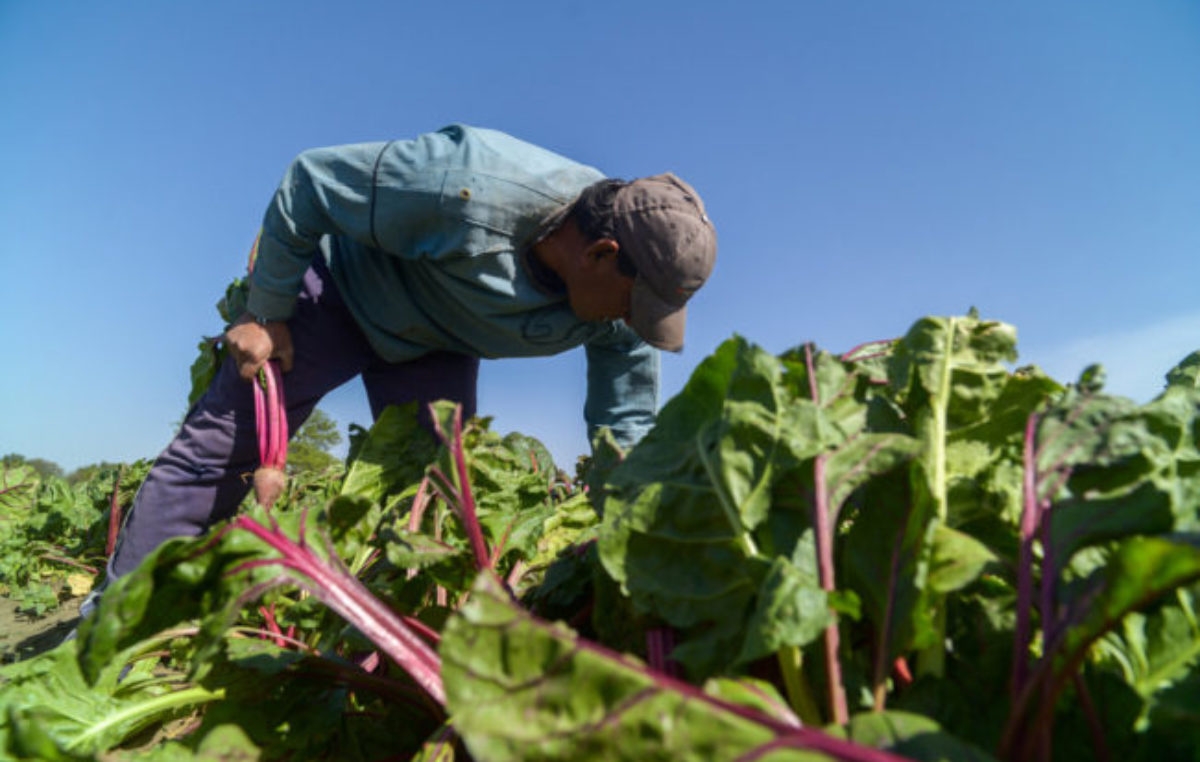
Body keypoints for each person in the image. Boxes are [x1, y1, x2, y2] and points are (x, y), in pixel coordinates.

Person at [95, 123, 716, 608]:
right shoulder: (466, 182)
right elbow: (309, 182)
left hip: (437, 345)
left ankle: (388, 626)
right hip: (342, 295)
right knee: (222, 449)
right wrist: (266, 312)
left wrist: (640, 524)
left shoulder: (625, 313)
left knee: (435, 498)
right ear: (602, 255)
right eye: (639, 305)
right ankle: (113, 631)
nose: (638, 323)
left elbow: (625, 425)